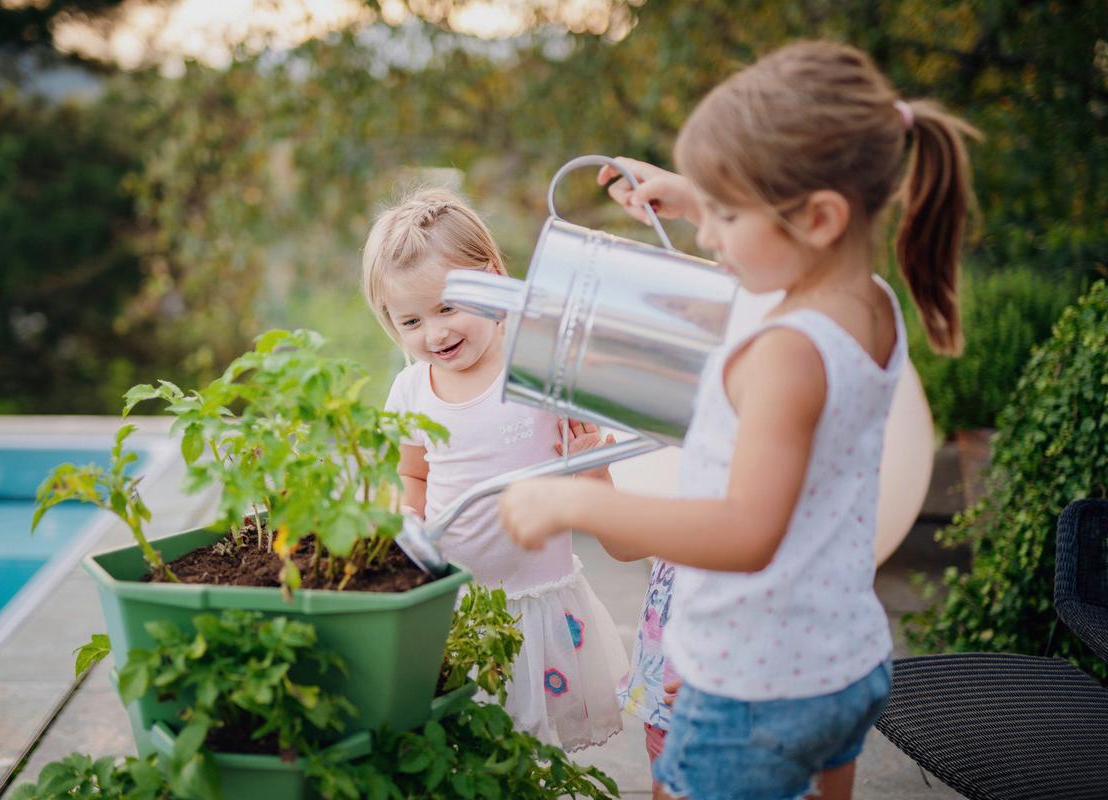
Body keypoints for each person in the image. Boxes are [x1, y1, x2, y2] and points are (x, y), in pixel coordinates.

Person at [499, 40, 977, 799]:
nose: (706, 235)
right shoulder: (864, 301)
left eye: (725, 213)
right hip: (841, 663)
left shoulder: (787, 353)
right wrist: (693, 191)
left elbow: (747, 532)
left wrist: (581, 501)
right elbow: (773, 260)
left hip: (749, 687)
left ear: (817, 216)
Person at [361, 187, 629, 750]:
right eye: (410, 321)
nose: (434, 334)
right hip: (455, 602)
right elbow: (412, 476)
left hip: (536, 599)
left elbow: (591, 474)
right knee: (463, 736)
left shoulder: (535, 365)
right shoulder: (411, 390)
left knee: (528, 746)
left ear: (493, 279)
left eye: (448, 307)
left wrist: (588, 466)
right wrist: (404, 518)